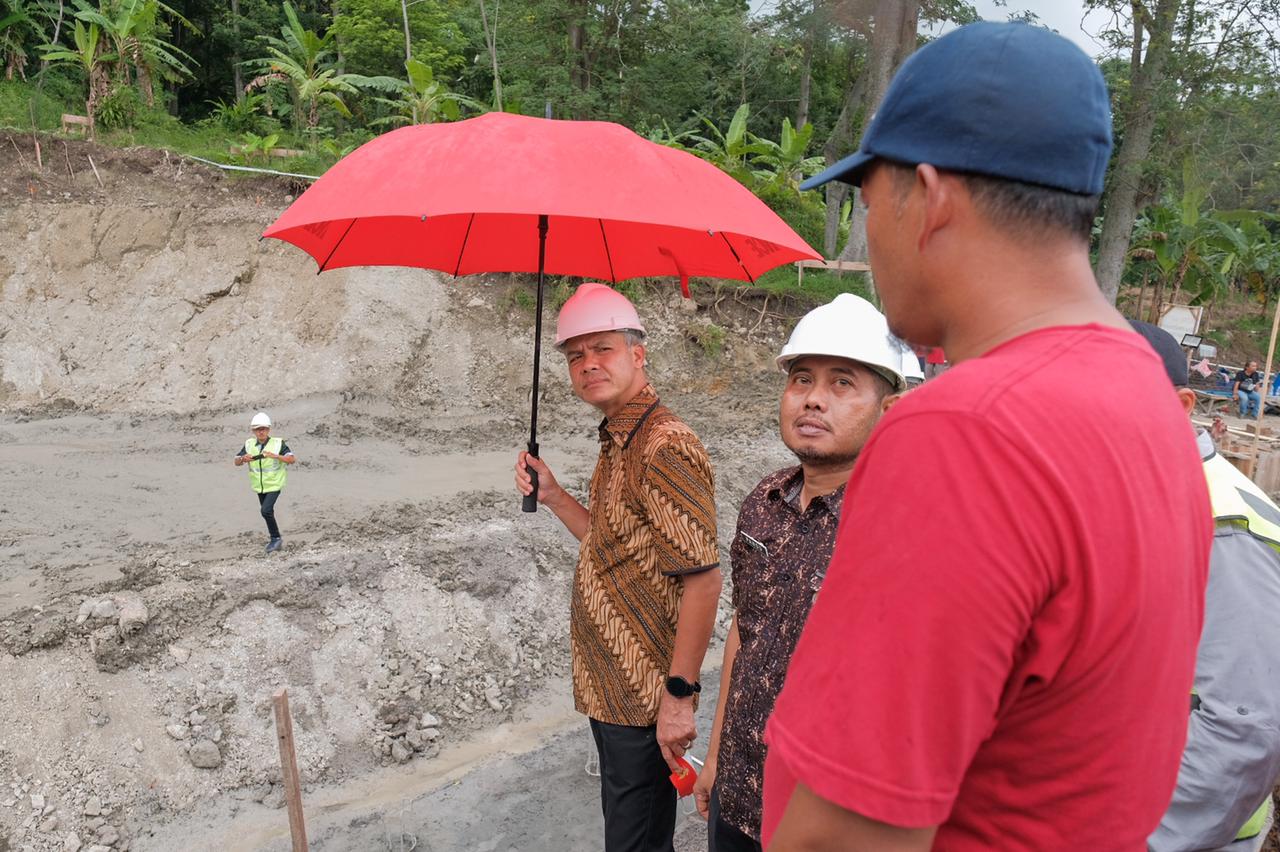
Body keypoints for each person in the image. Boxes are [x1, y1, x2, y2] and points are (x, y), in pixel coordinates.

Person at [764, 21, 1211, 851]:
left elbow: (847, 835)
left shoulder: (967, 430)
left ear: (928, 198)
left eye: (868, 203)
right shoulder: (1144, 397)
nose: (870, 241)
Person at [690, 294, 906, 852]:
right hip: (739, 795)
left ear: (888, 409)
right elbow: (746, 628)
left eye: (842, 384)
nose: (813, 399)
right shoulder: (764, 499)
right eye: (802, 379)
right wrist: (716, 756)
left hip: (825, 821)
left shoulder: (897, 526)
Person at [514, 282, 721, 852]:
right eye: (575, 355)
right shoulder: (619, 440)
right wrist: (555, 496)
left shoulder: (664, 444)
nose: (587, 365)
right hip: (611, 689)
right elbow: (611, 545)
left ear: (639, 353)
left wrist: (679, 696)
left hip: (647, 695)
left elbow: (703, 579)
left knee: (637, 842)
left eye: (602, 348)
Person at [1130, 321, 1280, 852]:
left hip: (1182, 830)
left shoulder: (1222, 528)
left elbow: (1241, 730)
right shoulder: (1131, 492)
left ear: (1183, 404)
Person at [234, 411, 296, 553]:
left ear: (268, 429)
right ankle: (275, 538)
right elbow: (236, 461)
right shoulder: (249, 444)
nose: (261, 432)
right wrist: (243, 459)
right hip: (259, 486)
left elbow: (291, 459)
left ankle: (276, 538)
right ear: (253, 430)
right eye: (257, 429)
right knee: (268, 512)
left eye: (263, 429)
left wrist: (275, 456)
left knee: (265, 510)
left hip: (274, 484)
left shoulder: (278, 443)